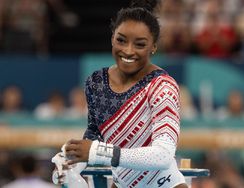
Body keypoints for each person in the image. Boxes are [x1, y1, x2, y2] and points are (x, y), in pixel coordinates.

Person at [52, 0, 188, 187]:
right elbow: (95, 135)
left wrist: (97, 152)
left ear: (154, 47)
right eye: (121, 40)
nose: (128, 51)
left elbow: (163, 155)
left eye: (139, 44)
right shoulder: (96, 82)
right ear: (112, 38)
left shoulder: (162, 86)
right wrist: (71, 163)